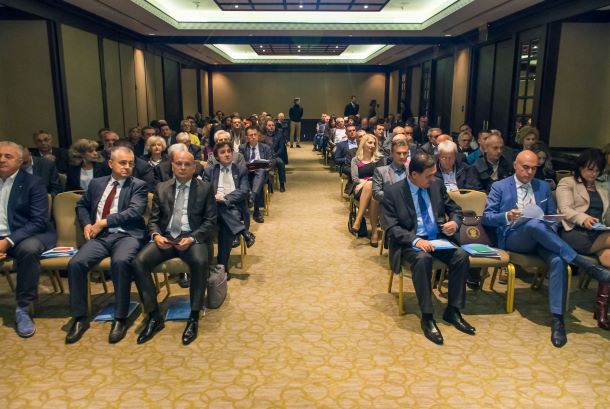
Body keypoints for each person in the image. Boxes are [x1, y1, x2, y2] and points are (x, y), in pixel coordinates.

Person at [482, 150, 610, 347]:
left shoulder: (542, 186)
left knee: (558, 259)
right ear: (515, 165)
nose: (530, 172)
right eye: (525, 167)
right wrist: (507, 215)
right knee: (534, 224)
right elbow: (487, 217)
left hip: (542, 238)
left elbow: (553, 217)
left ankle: (558, 320)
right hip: (514, 237)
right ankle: (580, 261)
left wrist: (551, 223)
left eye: (534, 168)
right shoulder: (500, 186)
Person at [381, 152, 473, 345]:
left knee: (461, 256)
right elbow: (391, 228)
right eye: (428, 176)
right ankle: (427, 316)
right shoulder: (393, 192)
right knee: (423, 259)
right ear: (414, 175)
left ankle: (453, 310)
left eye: (434, 174)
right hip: (410, 242)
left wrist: (455, 222)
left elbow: (455, 209)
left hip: (437, 238)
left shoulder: (436, 185)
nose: (433, 178)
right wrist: (415, 241)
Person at [65, 146, 148, 344]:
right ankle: (80, 317)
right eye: (122, 163)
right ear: (111, 163)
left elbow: (134, 211)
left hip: (127, 235)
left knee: (120, 262)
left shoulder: (138, 185)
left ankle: (120, 318)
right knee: (76, 263)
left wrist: (104, 222)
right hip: (101, 237)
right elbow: (82, 205)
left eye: (130, 163)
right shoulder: (97, 183)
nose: (127, 167)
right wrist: (87, 224)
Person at [133, 150, 217, 345]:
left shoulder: (205, 188)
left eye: (187, 164)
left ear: (194, 168)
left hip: (191, 237)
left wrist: (193, 238)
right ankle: (154, 316)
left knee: (200, 261)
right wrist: (156, 235)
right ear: (172, 166)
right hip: (167, 237)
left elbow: (210, 221)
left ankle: (193, 316)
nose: (182, 167)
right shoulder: (161, 188)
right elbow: (153, 220)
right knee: (138, 262)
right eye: (178, 163)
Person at [0, 141, 56, 338]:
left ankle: (23, 307)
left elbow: (38, 221)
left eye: (8, 156)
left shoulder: (33, 183)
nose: (2, 159)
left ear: (20, 161)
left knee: (29, 249)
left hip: (28, 235)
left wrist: (7, 242)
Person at [556, 149, 610, 330]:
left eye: (597, 170)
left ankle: (601, 309)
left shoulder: (602, 187)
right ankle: (601, 309)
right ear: (580, 167)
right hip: (575, 232)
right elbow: (565, 210)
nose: (593, 174)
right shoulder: (568, 182)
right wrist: (583, 218)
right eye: (589, 169)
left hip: (599, 233)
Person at [204, 141, 255, 279]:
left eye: (229, 151)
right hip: (214, 209)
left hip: (234, 207)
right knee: (218, 206)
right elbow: (204, 191)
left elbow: (244, 191)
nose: (227, 154)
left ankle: (222, 265)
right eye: (223, 152)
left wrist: (225, 199)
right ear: (216, 157)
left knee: (225, 227)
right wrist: (215, 198)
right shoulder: (210, 171)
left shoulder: (240, 169)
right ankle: (243, 232)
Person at [349, 134, 385, 247]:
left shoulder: (379, 159)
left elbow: (381, 177)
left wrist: (365, 181)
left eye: (374, 143)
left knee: (372, 193)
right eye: (370, 142)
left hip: (376, 189)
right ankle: (374, 232)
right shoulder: (356, 160)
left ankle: (359, 220)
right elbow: (355, 179)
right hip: (359, 190)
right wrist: (367, 182)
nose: (372, 145)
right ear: (363, 144)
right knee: (371, 188)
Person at [239, 126, 274, 224]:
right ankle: (256, 211)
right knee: (251, 180)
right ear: (247, 137)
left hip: (262, 175)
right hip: (247, 173)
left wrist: (266, 164)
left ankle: (253, 200)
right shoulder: (242, 148)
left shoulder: (265, 147)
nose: (254, 137)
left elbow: (271, 161)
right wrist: (251, 164)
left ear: (258, 136)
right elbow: (240, 163)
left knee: (260, 172)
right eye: (251, 135)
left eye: (255, 134)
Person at [262, 119, 288, 192]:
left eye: (273, 125)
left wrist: (274, 155)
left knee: (280, 163)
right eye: (269, 125)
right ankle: (265, 184)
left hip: (276, 156)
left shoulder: (279, 135)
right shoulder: (263, 136)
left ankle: (282, 184)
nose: (271, 127)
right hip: (265, 157)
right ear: (266, 126)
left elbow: (281, 148)